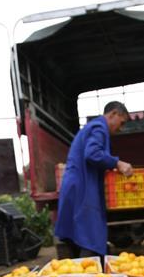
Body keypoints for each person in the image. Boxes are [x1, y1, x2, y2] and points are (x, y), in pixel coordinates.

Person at [55, 101, 133, 259]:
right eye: (121, 122)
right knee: (90, 237)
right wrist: (117, 163)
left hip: (78, 185)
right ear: (113, 115)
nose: (120, 128)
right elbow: (92, 154)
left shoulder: (94, 127)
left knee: (80, 236)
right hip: (82, 187)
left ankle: (82, 275)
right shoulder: (99, 128)